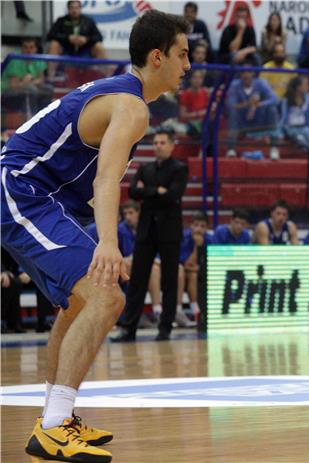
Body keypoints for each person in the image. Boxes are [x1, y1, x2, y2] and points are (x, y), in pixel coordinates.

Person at [1, 9, 190, 462]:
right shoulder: (132, 106)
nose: (189, 65)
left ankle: (54, 418)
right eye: (183, 55)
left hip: (45, 198)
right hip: (22, 190)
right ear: (157, 56)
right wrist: (107, 243)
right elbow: (108, 182)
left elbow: (92, 182)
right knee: (108, 296)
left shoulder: (120, 95)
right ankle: (53, 426)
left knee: (82, 300)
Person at [112, 129, 188, 343]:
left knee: (169, 281)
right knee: (137, 281)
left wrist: (149, 191)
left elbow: (174, 194)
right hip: (146, 231)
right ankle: (129, 329)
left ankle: (165, 328)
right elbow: (133, 192)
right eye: (155, 143)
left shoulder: (179, 168)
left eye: (162, 142)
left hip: (170, 232)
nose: (158, 146)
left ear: (172, 145)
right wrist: (158, 191)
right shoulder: (145, 167)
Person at [85, 200, 163, 328]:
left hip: (119, 267)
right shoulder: (110, 230)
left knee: (159, 269)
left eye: (130, 213)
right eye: (125, 213)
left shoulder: (141, 228)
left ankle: (155, 311)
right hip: (96, 268)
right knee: (139, 268)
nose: (127, 217)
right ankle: (139, 313)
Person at [225, 64, 281, 160]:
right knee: (233, 112)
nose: (246, 75)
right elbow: (231, 104)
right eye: (243, 72)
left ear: (253, 74)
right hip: (242, 121)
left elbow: (274, 99)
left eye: (249, 72)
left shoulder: (261, 83)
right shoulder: (235, 85)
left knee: (272, 109)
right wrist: (249, 104)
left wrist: (258, 104)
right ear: (240, 75)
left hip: (259, 119)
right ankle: (231, 149)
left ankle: (274, 148)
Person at [46, 1, 107, 79]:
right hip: (66, 52)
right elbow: (50, 35)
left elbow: (99, 37)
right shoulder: (61, 20)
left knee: (99, 46)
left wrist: (86, 39)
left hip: (85, 52)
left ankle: (106, 78)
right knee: (54, 44)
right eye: (72, 8)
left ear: (80, 9)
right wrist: (68, 38)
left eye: (76, 8)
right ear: (68, 9)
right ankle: (50, 78)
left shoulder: (88, 21)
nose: (74, 10)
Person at [177, 211, 214, 324]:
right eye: (196, 225)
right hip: (182, 274)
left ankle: (197, 311)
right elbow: (187, 265)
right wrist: (197, 247)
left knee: (194, 274)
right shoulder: (184, 237)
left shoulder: (210, 240)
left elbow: (211, 264)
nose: (198, 229)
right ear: (191, 225)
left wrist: (197, 268)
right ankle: (183, 310)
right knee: (186, 272)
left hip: (200, 274)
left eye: (202, 226)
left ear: (207, 228)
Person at [1, 37, 53, 116]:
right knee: (31, 90)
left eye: (31, 47)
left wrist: (28, 82)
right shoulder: (15, 60)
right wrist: (28, 83)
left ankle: (44, 118)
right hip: (8, 94)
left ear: (36, 49)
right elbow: (14, 85)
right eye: (25, 47)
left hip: (28, 91)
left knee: (48, 89)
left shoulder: (39, 60)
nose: (28, 50)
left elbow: (41, 81)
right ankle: (30, 121)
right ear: (21, 49)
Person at [281, 76, 309, 156]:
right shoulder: (287, 100)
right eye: (305, 84)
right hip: (291, 128)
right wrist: (281, 130)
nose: (308, 87)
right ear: (298, 87)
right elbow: (283, 117)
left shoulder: (307, 98)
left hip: (304, 127)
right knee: (300, 139)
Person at [179, 70, 210, 138]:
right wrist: (200, 113)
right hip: (190, 124)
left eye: (200, 78)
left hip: (204, 123)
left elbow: (209, 111)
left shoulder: (205, 92)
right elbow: (183, 115)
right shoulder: (185, 94)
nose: (197, 80)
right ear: (190, 79)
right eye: (194, 77)